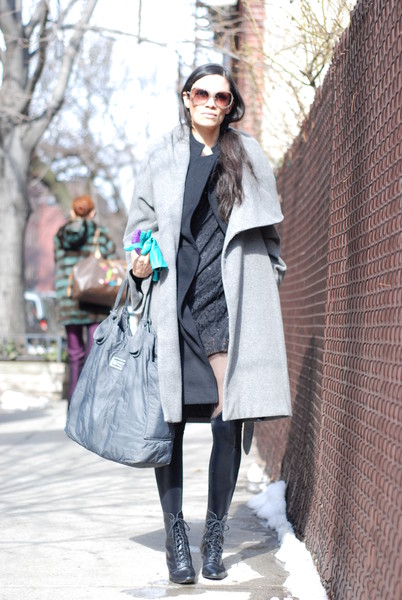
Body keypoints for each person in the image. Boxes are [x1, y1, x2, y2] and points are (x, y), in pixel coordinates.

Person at [124, 63, 291, 584]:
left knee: (227, 419)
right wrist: (138, 264)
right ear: (186, 97)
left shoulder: (248, 154)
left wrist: (268, 277)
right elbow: (139, 227)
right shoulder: (163, 154)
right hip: (176, 303)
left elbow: (270, 234)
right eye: (203, 94)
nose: (212, 103)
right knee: (170, 424)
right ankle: (176, 536)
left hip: (228, 301)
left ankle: (214, 537)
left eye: (222, 97)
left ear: (231, 105)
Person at [54, 195, 116, 407]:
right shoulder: (101, 234)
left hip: (69, 300)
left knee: (74, 355)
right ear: (93, 213)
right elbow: (110, 264)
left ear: (72, 212)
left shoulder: (60, 236)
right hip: (95, 299)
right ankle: (90, 407)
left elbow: (58, 264)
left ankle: (73, 408)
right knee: (94, 355)